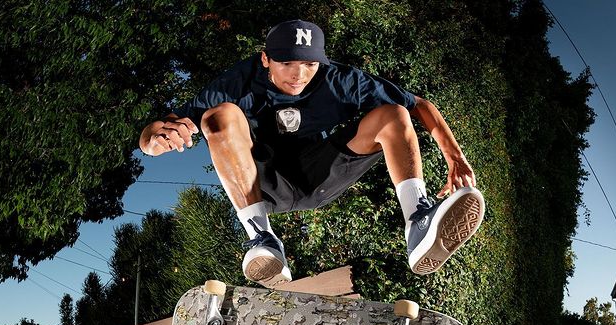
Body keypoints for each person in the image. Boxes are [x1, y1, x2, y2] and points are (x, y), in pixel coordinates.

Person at [140, 19, 485, 288]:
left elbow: (419, 106)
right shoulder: (239, 81)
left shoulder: (340, 80)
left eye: (309, 64)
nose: (298, 75)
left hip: (320, 174)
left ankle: (418, 222)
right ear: (265, 59)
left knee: (394, 113)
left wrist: (455, 158)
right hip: (265, 183)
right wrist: (153, 140)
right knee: (220, 115)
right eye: (287, 63)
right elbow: (164, 129)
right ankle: (262, 237)